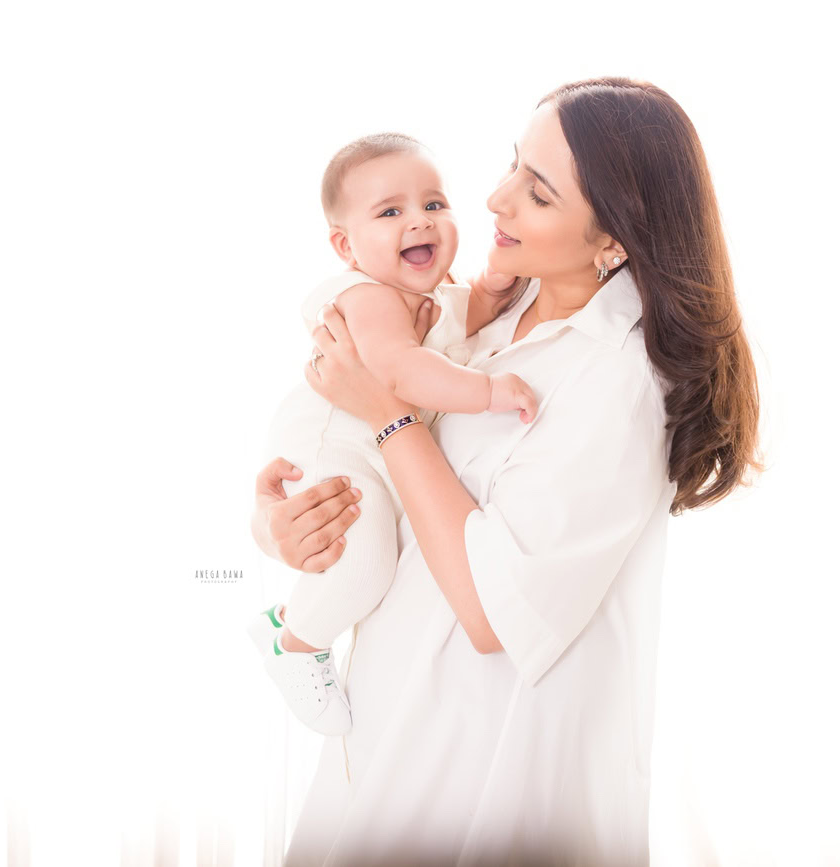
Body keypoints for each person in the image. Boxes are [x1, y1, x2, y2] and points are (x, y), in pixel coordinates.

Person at [249, 76, 763, 865]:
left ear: (614, 239)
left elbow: (493, 610)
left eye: (538, 191)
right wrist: (290, 525)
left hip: (494, 783)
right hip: (388, 740)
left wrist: (387, 412)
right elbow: (381, 477)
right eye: (511, 164)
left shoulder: (617, 381)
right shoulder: (481, 311)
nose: (493, 199)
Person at [244, 131, 537, 736]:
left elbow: (465, 315)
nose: (419, 223)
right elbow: (402, 369)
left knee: (371, 558)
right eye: (390, 212)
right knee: (364, 563)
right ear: (345, 246)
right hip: (335, 443)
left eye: (433, 204)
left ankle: (295, 623)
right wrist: (489, 392)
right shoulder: (367, 297)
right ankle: (292, 640)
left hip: (372, 444)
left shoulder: (428, 295)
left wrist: (489, 290)